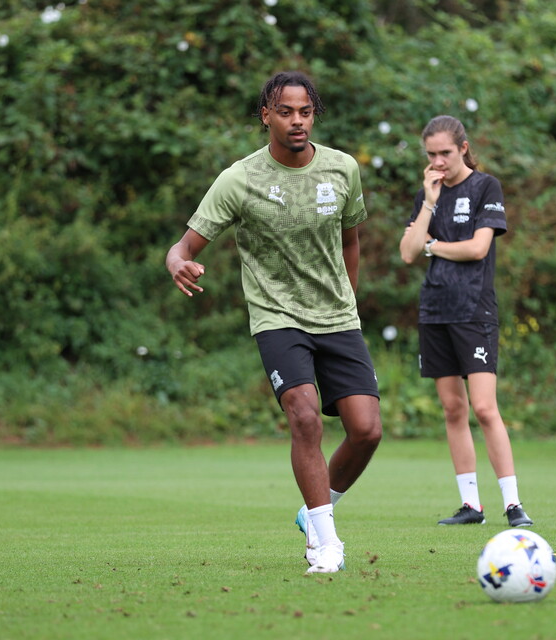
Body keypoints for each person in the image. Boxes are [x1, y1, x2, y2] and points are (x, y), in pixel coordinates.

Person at [166, 71, 382, 574]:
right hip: (276, 316)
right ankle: (326, 543)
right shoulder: (239, 179)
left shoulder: (342, 169)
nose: (297, 120)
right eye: (285, 111)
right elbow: (185, 244)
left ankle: (314, 510)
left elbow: (351, 241)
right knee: (304, 416)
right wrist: (178, 261)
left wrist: (349, 300)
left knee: (367, 431)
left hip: (337, 316)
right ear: (266, 114)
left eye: (305, 111)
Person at [398, 115, 533, 528]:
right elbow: (407, 251)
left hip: (474, 310)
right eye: (430, 155)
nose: (437, 161)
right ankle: (471, 506)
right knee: (453, 409)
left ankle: (513, 505)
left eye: (444, 153)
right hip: (435, 311)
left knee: (484, 408)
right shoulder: (430, 194)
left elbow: (477, 249)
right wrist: (428, 201)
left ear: (462, 148)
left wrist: (433, 246)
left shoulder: (485, 187)